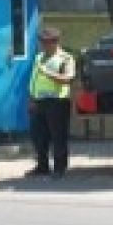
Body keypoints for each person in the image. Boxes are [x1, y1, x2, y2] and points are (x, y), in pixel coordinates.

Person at [26, 26, 76, 179]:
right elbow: (34, 80)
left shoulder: (65, 58)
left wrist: (48, 73)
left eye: (47, 42)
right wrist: (31, 99)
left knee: (58, 136)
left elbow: (68, 78)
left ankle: (59, 168)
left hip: (57, 102)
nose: (43, 45)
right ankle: (42, 166)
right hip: (38, 101)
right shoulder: (39, 57)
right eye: (42, 42)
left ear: (55, 42)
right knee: (38, 136)